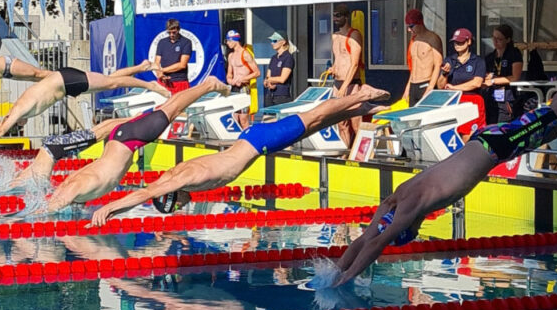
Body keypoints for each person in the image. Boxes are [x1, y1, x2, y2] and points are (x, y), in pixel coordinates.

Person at [333, 54, 557, 284]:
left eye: (409, 235)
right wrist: (337, 270)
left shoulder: (408, 207)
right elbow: (366, 238)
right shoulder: (394, 200)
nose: (415, 232)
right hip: (486, 141)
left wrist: (344, 280)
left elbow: (375, 243)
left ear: (407, 229)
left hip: (495, 147)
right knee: (552, 122)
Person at [89, 84, 391, 227]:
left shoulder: (183, 179)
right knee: (310, 127)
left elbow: (146, 191)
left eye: (174, 207)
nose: (181, 207)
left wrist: (112, 209)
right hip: (251, 141)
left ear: (171, 198)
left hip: (258, 141)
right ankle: (361, 108)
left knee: (310, 119)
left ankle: (360, 95)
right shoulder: (179, 175)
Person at [38, 77, 231, 212]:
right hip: (118, 139)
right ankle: (208, 86)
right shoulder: (74, 185)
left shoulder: (73, 187)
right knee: (169, 108)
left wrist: (39, 215)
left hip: (128, 140)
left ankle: (209, 85)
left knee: (173, 108)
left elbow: (54, 207)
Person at [0, 61, 167, 162]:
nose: (22, 126)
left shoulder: (19, 110)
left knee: (112, 83)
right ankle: (141, 67)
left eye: (19, 126)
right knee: (109, 80)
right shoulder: (22, 110)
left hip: (66, 81)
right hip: (65, 83)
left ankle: (150, 85)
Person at [330, 4, 365, 145]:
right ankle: (346, 152)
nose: (335, 19)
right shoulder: (335, 36)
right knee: (341, 124)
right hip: (338, 82)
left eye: (338, 15)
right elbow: (339, 58)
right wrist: (333, 68)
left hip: (351, 83)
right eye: (333, 15)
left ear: (346, 17)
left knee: (356, 123)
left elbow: (354, 64)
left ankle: (361, 154)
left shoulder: (354, 35)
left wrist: (345, 86)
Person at [401, 8, 443, 105]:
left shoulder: (433, 39)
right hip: (413, 86)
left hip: (425, 83)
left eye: (411, 26)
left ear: (420, 23)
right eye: (408, 26)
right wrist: (407, 88)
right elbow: (414, 66)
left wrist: (430, 87)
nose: (409, 30)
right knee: (412, 118)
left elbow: (438, 65)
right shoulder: (414, 40)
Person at [484, 24, 523, 123]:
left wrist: (493, 80)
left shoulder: (514, 54)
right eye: (494, 38)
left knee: (503, 126)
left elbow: (515, 77)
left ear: (508, 40)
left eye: (499, 39)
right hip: (491, 97)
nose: (495, 42)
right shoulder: (490, 57)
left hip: (507, 97)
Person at [225, 30, 260, 128]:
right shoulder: (231, 56)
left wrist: (243, 78)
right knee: (235, 117)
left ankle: (248, 139)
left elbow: (257, 72)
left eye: (228, 41)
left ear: (234, 40)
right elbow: (229, 74)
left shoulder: (245, 54)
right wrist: (230, 81)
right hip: (234, 88)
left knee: (243, 118)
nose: (227, 44)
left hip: (244, 89)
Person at [438, 28, 486, 93]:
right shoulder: (449, 60)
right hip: (452, 98)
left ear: (469, 41)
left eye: (460, 42)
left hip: (471, 98)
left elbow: (477, 83)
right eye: (455, 42)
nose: (456, 44)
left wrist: (454, 88)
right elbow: (440, 87)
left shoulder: (478, 61)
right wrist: (444, 73)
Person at [154, 18, 193, 94]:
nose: (171, 35)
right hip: (164, 82)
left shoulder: (186, 42)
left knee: (181, 105)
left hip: (179, 81)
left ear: (178, 30)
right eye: (169, 32)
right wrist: (160, 74)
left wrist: (162, 70)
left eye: (174, 32)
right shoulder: (162, 42)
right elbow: (156, 62)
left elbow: (182, 65)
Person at [264, 32, 294, 106]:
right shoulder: (273, 58)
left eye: (274, 41)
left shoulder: (288, 57)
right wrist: (268, 83)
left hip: (282, 96)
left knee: (281, 117)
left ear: (283, 42)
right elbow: (268, 76)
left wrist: (269, 80)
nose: (272, 43)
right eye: (271, 41)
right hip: (270, 94)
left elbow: (282, 79)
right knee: (268, 117)